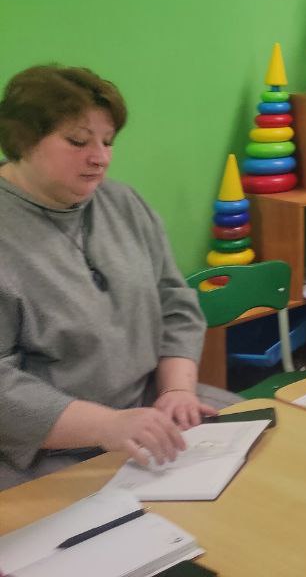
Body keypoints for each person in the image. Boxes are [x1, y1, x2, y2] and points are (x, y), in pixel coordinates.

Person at [0, 65, 220, 490]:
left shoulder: (124, 204)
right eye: (78, 141)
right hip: (45, 452)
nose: (100, 157)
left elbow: (175, 303)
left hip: (150, 413)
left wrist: (176, 391)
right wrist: (106, 426)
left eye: (108, 141)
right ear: (23, 140)